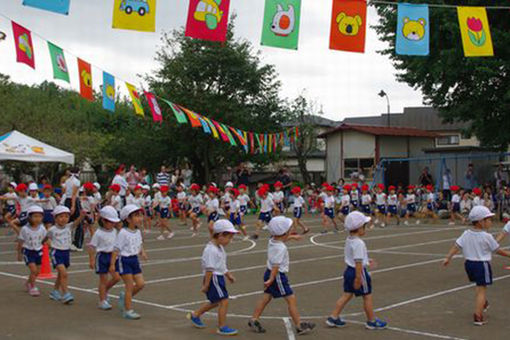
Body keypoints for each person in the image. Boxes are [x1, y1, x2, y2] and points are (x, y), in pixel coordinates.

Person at [443, 205, 510, 326]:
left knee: (479, 287)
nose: (490, 222)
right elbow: (497, 250)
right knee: (482, 290)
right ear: (480, 222)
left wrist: (448, 257)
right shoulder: (487, 236)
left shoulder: (466, 233)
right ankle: (478, 316)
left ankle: (483, 303)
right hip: (482, 264)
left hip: (469, 264)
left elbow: (456, 246)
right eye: (488, 219)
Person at [248, 216, 316, 335]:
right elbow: (276, 266)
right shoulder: (281, 248)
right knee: (291, 299)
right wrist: (271, 279)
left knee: (266, 297)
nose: (290, 230)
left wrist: (292, 237)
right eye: (289, 229)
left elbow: (281, 239)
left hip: (269, 272)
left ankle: (254, 319)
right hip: (277, 275)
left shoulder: (273, 240)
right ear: (285, 232)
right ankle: (299, 325)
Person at [326, 211, 387, 330]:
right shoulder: (359, 243)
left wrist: (367, 260)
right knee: (367, 296)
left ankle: (333, 317)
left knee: (346, 295)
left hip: (349, 271)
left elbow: (355, 257)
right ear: (359, 228)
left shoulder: (349, 239)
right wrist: (359, 278)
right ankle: (371, 321)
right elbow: (358, 262)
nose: (366, 228)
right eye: (364, 226)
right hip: (358, 272)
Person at [186, 220, 239, 336]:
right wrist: (206, 285)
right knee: (224, 301)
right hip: (214, 278)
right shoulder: (211, 250)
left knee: (215, 301)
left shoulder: (219, 247)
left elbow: (221, 265)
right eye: (229, 238)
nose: (230, 241)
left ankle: (195, 315)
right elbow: (209, 269)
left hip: (217, 277)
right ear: (220, 235)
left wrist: (228, 275)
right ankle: (222, 327)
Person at [111, 205, 148, 320]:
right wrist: (112, 264)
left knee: (141, 284)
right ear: (128, 219)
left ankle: (125, 297)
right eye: (136, 216)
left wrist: (143, 252)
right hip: (124, 260)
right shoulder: (123, 233)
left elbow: (139, 243)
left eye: (140, 215)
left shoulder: (137, 231)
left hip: (134, 260)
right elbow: (116, 249)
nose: (140, 218)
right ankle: (127, 310)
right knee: (129, 286)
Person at [47, 206, 86, 304]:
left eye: (66, 216)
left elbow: (76, 223)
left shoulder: (69, 227)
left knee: (61, 274)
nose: (64, 218)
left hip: (66, 252)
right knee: (64, 273)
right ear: (55, 218)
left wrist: (81, 216)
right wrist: (49, 245)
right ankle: (66, 294)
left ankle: (55, 291)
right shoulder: (52, 229)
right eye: (61, 216)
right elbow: (46, 238)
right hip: (56, 252)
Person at [88, 206, 122, 310]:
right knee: (103, 279)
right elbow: (92, 247)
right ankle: (102, 300)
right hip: (102, 257)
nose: (112, 224)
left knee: (117, 277)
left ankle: (104, 290)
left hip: (113, 257)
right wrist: (92, 259)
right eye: (110, 222)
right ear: (103, 220)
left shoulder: (114, 231)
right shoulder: (98, 233)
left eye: (113, 222)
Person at [17, 205, 47, 297]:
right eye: (35, 216)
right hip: (28, 251)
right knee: (33, 270)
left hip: (39, 251)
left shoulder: (42, 228)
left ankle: (28, 282)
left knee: (37, 271)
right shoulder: (25, 229)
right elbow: (21, 241)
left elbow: (45, 238)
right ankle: (32, 286)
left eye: (40, 216)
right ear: (29, 217)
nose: (38, 219)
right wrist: (19, 254)